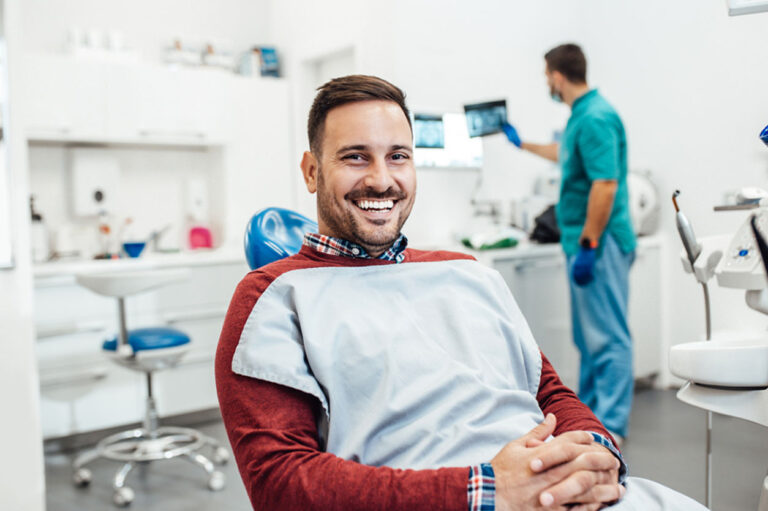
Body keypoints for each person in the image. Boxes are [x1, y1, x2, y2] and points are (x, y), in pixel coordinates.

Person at [216, 75, 705, 510]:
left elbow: (547, 390)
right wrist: (490, 491)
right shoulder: (274, 296)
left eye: (398, 157)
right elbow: (279, 482)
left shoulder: (469, 273)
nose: (382, 179)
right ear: (311, 171)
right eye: (355, 156)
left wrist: (597, 453)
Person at [502, 44, 636, 444]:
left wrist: (591, 243)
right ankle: (591, 416)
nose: (547, 82)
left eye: (547, 75)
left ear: (558, 76)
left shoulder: (595, 117)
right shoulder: (582, 116)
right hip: (584, 242)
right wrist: (522, 144)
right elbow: (564, 154)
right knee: (589, 337)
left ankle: (611, 425)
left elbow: (605, 184)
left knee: (609, 337)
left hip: (600, 242)